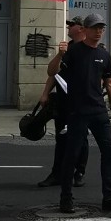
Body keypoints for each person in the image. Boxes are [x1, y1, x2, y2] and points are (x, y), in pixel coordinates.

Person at [56, 11, 111, 215]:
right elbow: (52, 72)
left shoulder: (104, 55)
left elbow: (110, 82)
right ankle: (66, 198)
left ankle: (110, 196)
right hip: (77, 111)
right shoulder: (73, 51)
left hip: (99, 111)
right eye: (95, 28)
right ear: (84, 30)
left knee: (108, 152)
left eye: (101, 28)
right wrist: (59, 55)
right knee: (72, 154)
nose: (98, 31)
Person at [37, 16, 89, 189]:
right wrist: (45, 94)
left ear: (81, 28)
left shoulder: (91, 48)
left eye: (71, 25)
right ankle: (57, 173)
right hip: (63, 101)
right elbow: (53, 73)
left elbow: (102, 78)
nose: (68, 27)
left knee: (81, 138)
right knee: (61, 138)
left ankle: (78, 172)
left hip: (82, 102)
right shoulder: (67, 49)